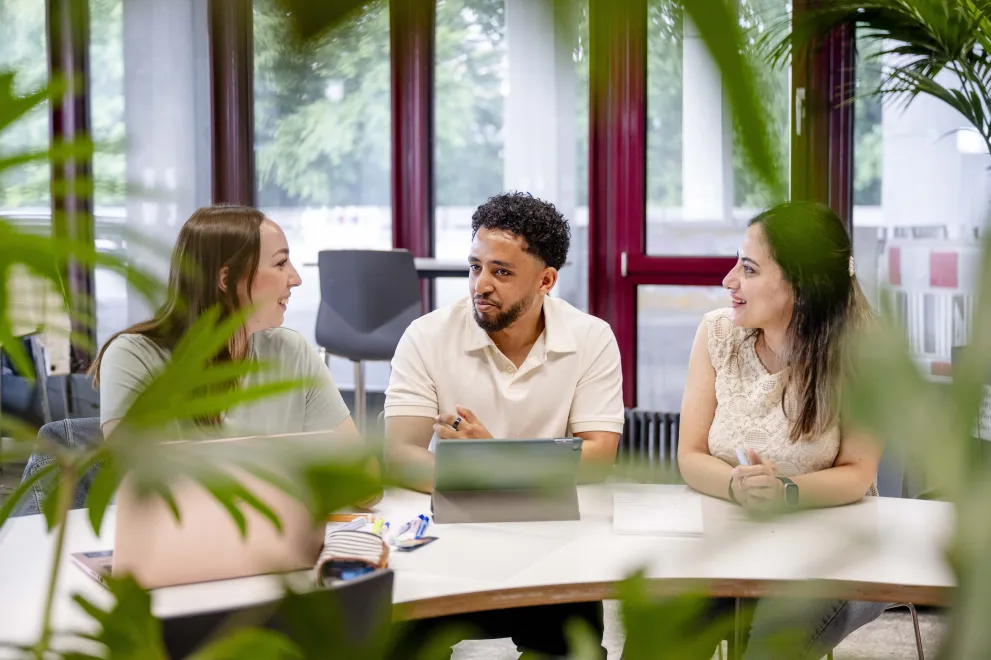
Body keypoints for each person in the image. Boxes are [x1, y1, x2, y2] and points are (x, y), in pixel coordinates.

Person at [384, 191, 624, 658]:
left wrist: (487, 456)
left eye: (502, 271)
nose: (481, 284)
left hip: (553, 550)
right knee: (393, 646)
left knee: (572, 651)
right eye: (475, 266)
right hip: (447, 545)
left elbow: (597, 459)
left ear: (546, 280)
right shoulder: (428, 336)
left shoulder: (590, 338)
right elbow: (399, 457)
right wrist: (524, 473)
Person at [673, 201, 886, 659]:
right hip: (729, 537)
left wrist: (785, 492)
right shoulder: (717, 333)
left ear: (802, 285)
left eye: (747, 269)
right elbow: (689, 455)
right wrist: (736, 485)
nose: (729, 281)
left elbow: (857, 472)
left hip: (831, 547)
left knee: (770, 643)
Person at [91, 204, 358, 443]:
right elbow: (136, 484)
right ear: (227, 280)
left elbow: (363, 477)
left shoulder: (292, 350)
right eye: (280, 263)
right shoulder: (134, 356)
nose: (296, 278)